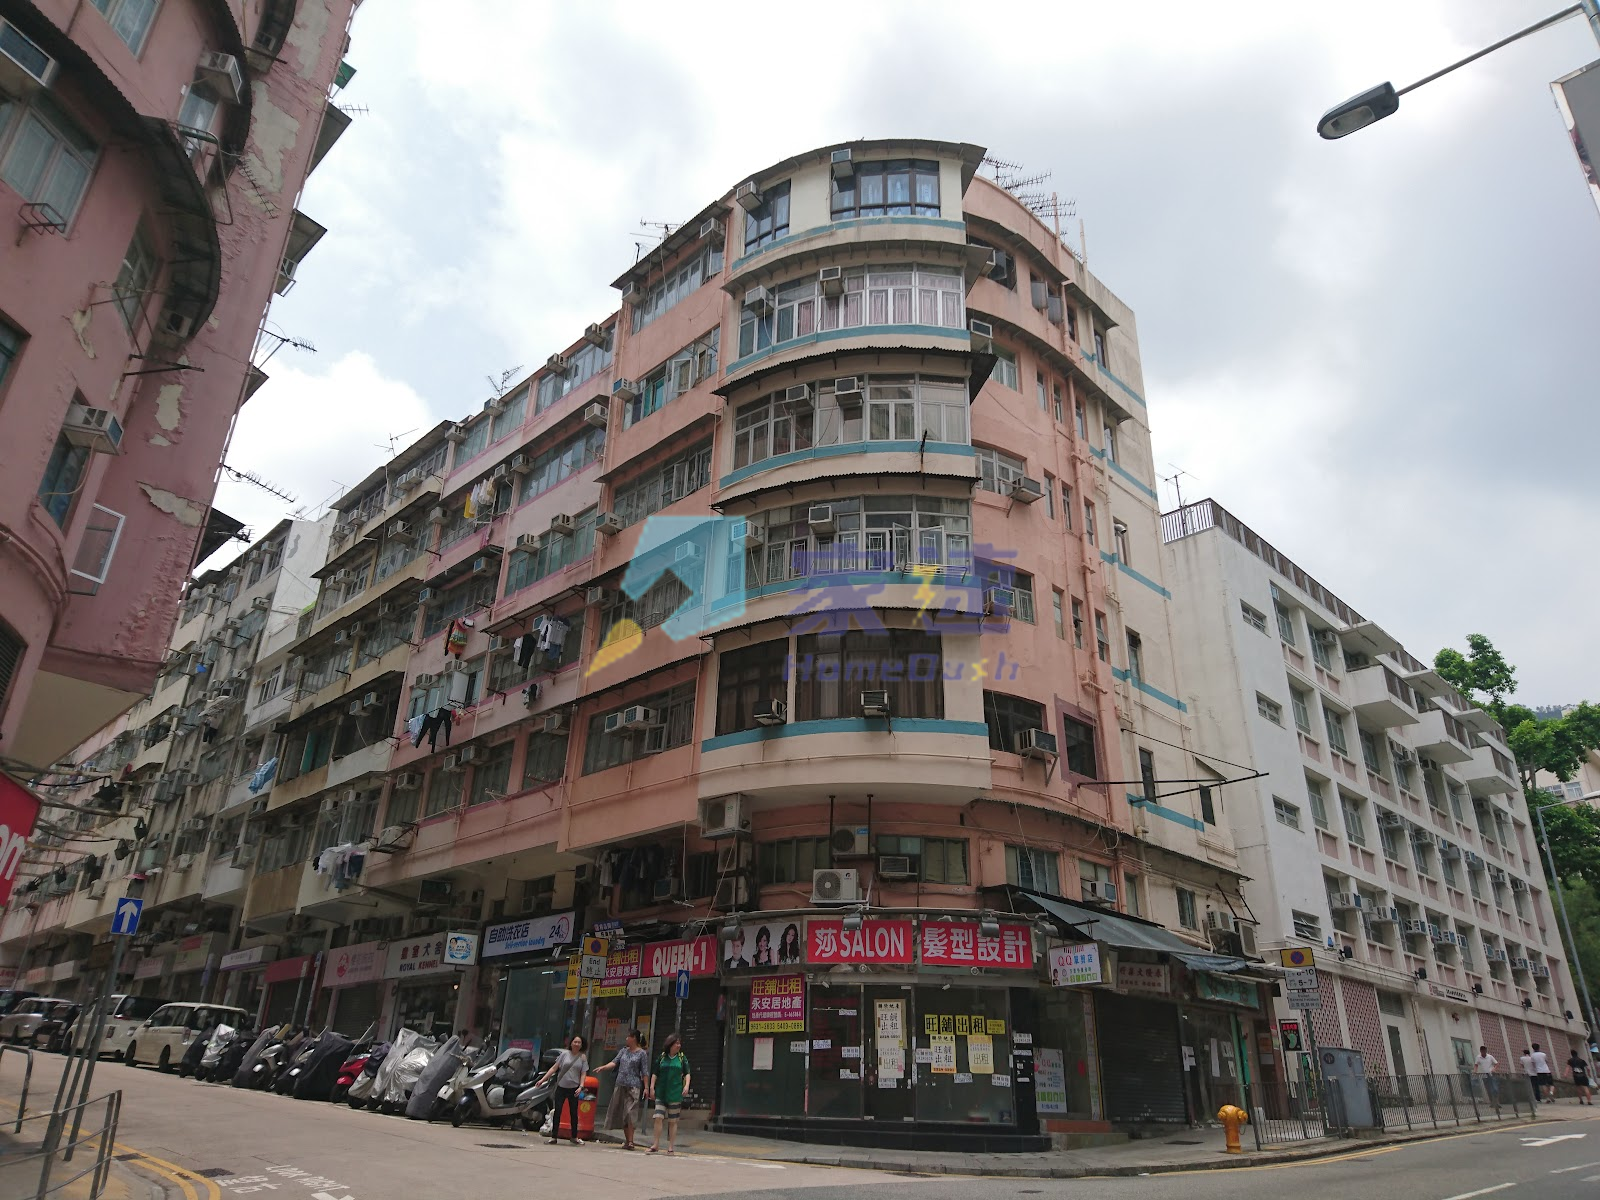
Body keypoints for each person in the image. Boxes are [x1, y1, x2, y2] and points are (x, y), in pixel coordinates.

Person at [596, 1029, 649, 1150]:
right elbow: (614, 1062)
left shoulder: (642, 1053)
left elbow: (645, 1071)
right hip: (620, 1085)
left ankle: (631, 1141)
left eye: (628, 1037)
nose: (626, 1039)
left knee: (630, 1113)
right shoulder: (623, 1051)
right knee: (623, 1113)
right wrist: (604, 1067)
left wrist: (646, 1087)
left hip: (634, 1086)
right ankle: (628, 1141)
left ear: (634, 1038)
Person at [537, 1034, 589, 1146]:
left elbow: (583, 1073)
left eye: (579, 1042)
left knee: (573, 1113)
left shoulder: (583, 1057)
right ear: (571, 1043)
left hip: (574, 1088)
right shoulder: (564, 1054)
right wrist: (542, 1080)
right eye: (575, 1042)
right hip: (561, 1087)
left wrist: (581, 1086)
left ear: (582, 1045)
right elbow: (554, 1068)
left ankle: (574, 1137)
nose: (576, 1044)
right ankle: (554, 1137)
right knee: (558, 1112)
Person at [648, 1033, 691, 1156]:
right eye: (676, 1043)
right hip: (661, 1092)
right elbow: (655, 1073)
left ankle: (671, 1147)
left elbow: (687, 1073)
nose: (679, 1045)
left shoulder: (682, 1058)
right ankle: (655, 1144)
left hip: (675, 1093)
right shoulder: (662, 1057)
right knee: (658, 1117)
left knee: (673, 1121)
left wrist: (686, 1086)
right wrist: (652, 1087)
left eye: (679, 1043)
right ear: (670, 1044)